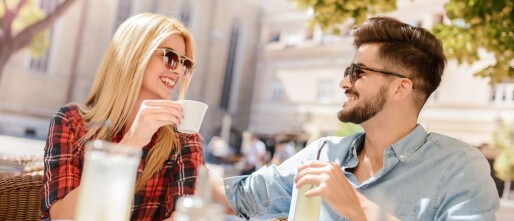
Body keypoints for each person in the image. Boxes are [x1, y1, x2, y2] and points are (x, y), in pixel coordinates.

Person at [214, 16, 500, 220]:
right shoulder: (323, 153)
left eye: (358, 72)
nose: (344, 83)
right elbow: (242, 198)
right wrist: (174, 137)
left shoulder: (459, 167)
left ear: (401, 87)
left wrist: (359, 209)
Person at [40, 13, 204, 221]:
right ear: (136, 54)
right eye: (170, 58)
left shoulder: (184, 138)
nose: (179, 70)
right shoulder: (72, 122)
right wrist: (132, 143)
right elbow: (62, 216)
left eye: (185, 64)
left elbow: (187, 215)